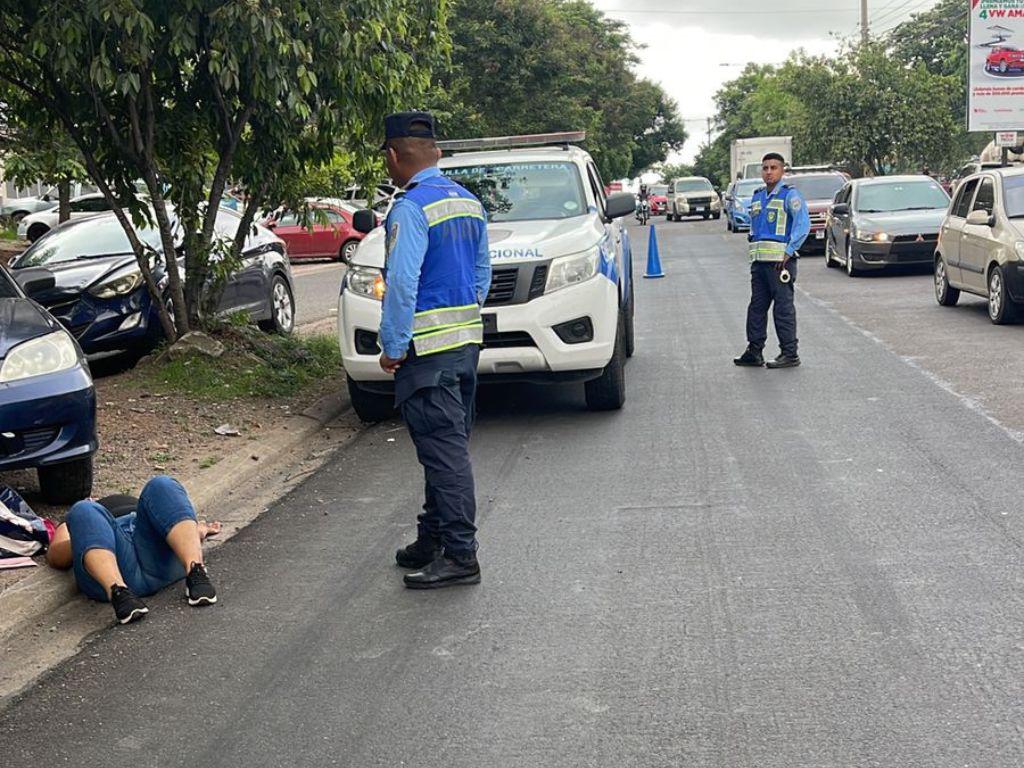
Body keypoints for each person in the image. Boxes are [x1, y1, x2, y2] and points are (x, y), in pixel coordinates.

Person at [377, 111, 491, 590]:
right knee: (442, 447)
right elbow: (482, 274)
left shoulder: (410, 208)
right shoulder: (468, 202)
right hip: (465, 344)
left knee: (444, 454)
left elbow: (402, 283)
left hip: (427, 352)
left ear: (393, 156)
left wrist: (393, 345)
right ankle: (434, 537)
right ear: (437, 153)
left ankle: (461, 555)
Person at [46, 476, 219, 624]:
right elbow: (56, 556)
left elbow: (170, 517)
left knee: (161, 484)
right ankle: (119, 592)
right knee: (82, 509)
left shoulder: (145, 505)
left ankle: (196, 570)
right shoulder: (82, 515)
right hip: (114, 563)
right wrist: (86, 536)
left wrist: (196, 531)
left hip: (153, 551)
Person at [733, 152, 810, 369]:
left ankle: (790, 353)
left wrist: (789, 251)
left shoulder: (790, 195)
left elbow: (802, 225)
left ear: (782, 170)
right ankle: (754, 351)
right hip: (759, 263)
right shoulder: (758, 196)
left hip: (780, 263)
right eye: (765, 168)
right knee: (756, 308)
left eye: (773, 168)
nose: (769, 172)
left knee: (782, 309)